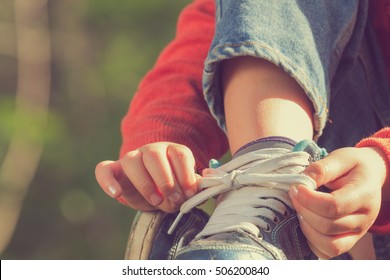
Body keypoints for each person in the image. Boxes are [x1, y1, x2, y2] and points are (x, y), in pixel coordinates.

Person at [95, 0, 390, 259]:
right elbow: (235, 32)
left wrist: (382, 164)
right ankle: (263, 214)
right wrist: (164, 151)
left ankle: (264, 224)